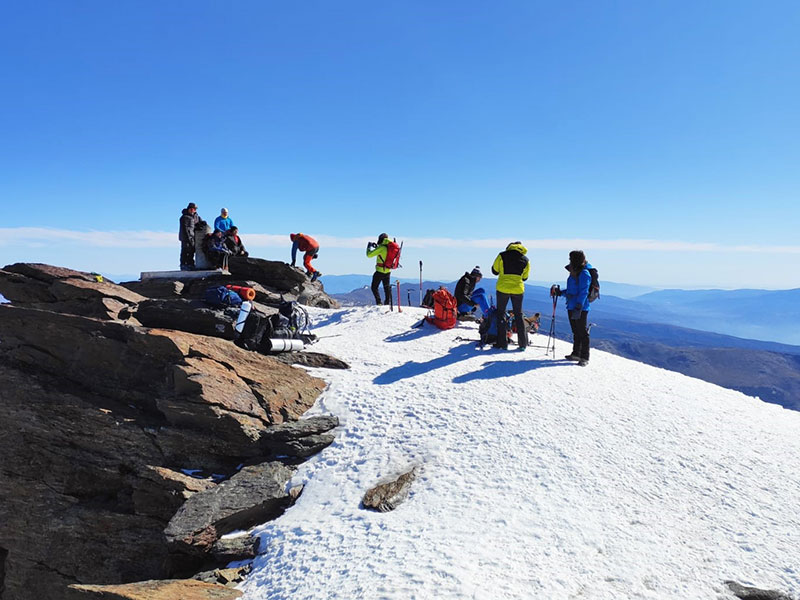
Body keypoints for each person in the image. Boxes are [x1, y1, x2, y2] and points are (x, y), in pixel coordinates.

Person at [551, 250, 592, 366]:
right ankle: (576, 353)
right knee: (576, 331)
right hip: (572, 305)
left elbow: (584, 292)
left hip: (580, 307)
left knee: (582, 332)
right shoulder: (574, 272)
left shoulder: (584, 274)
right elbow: (571, 290)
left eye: (570, 258)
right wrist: (560, 293)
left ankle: (584, 357)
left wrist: (579, 306)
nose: (569, 260)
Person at [491, 241, 530, 350]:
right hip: (518, 289)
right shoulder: (525, 259)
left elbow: (494, 271)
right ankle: (522, 344)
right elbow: (525, 277)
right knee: (518, 314)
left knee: (501, 313)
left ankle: (502, 343)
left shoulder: (502, 255)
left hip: (503, 288)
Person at [366, 233, 392, 305]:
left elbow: (369, 255)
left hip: (380, 270)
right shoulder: (389, 248)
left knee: (374, 287)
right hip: (388, 270)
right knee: (386, 288)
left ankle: (379, 302)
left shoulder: (381, 248)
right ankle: (387, 302)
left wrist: (368, 247)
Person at [178, 202, 202, 270]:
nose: (193, 210)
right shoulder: (184, 217)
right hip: (185, 237)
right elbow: (184, 228)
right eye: (192, 209)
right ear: (189, 209)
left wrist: (201, 224)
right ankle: (183, 265)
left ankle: (190, 264)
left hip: (192, 236)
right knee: (185, 251)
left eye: (194, 209)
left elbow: (197, 224)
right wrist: (188, 237)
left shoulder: (195, 217)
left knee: (191, 251)